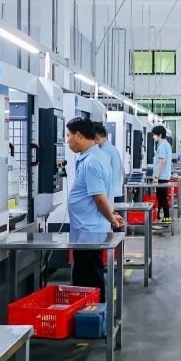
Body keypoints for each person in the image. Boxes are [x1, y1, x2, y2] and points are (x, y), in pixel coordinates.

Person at [66, 118, 124, 302]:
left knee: (89, 278)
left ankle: (96, 314)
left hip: (88, 230)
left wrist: (111, 218)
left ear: (78, 135)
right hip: (87, 228)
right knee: (87, 275)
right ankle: (92, 312)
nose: (67, 140)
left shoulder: (91, 161)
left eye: (68, 135)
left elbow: (98, 196)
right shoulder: (98, 157)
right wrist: (110, 213)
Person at [93, 123, 124, 203]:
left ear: (96, 137)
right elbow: (122, 170)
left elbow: (102, 175)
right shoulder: (113, 149)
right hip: (116, 192)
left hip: (110, 195)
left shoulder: (104, 151)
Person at [151, 125, 174, 223]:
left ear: (160, 135)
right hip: (164, 175)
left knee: (163, 199)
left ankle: (166, 220)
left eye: (154, 135)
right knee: (161, 198)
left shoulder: (162, 146)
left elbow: (161, 161)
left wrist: (156, 176)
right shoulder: (166, 145)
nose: (153, 137)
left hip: (161, 176)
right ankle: (162, 219)